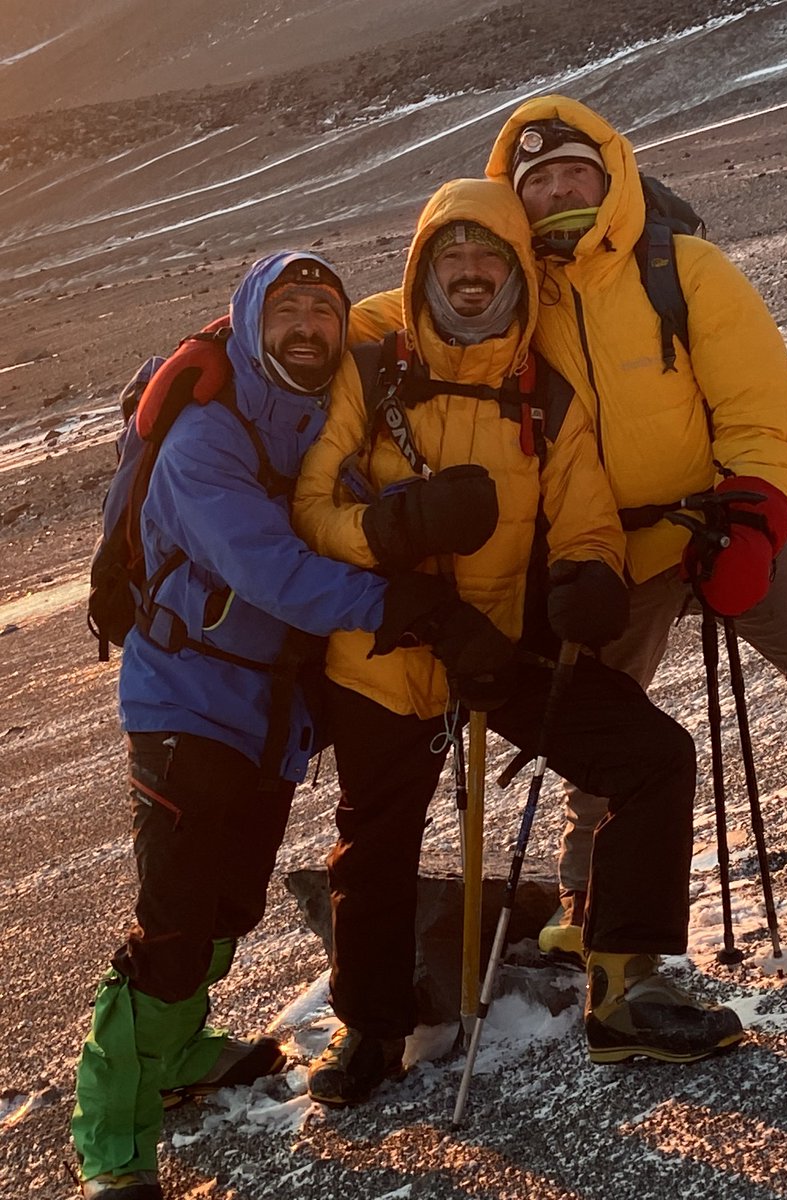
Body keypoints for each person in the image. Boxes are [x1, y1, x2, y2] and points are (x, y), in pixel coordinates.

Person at [291, 177, 744, 1109]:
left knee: (653, 758)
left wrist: (591, 576)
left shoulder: (546, 395)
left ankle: (626, 986)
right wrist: (388, 532)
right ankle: (370, 1027)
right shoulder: (371, 373)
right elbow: (311, 507)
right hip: (387, 653)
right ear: (423, 267)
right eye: (451, 256)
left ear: (514, 272)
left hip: (499, 651)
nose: (469, 273)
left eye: (487, 257)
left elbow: (585, 518)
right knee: (375, 840)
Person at [71, 252, 498, 1200]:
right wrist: (403, 609)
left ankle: (178, 1051)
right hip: (186, 703)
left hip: (270, 710)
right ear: (250, 321)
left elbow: (340, 508)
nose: (308, 327)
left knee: (230, 903)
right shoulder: (204, 440)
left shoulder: (317, 414)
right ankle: (112, 1140)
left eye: (323, 310)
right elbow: (273, 571)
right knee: (174, 922)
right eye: (289, 310)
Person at [468, 93, 787, 960]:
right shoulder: (513, 298)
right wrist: (251, 329)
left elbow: (757, 401)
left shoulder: (683, 268)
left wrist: (753, 521)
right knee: (605, 739)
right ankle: (589, 901)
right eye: (539, 181)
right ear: (516, 198)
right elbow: (409, 317)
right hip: (607, 556)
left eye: (575, 173)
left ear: (610, 178)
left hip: (721, 528)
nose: (559, 191)